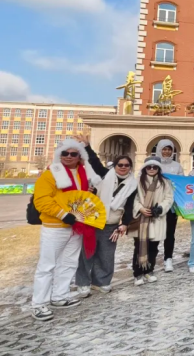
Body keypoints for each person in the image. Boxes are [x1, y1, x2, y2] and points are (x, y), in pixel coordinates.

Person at [30, 139, 103, 321]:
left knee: (69, 263)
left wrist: (89, 195)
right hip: (55, 227)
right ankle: (39, 304)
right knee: (47, 266)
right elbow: (42, 200)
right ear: (59, 155)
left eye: (73, 154)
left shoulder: (84, 173)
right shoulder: (50, 174)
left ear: (80, 156)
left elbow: (82, 198)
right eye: (65, 153)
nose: (68, 157)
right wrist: (63, 214)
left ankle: (60, 296)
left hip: (76, 226)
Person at [75, 137, 137, 297]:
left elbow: (129, 207)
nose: (123, 167)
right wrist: (87, 147)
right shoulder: (106, 175)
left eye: (126, 165)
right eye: (120, 165)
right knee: (87, 253)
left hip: (111, 224)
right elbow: (95, 162)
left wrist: (125, 224)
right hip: (93, 220)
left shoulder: (133, 185)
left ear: (130, 167)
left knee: (106, 255)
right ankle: (83, 283)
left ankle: (101, 282)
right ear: (115, 166)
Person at [128, 156, 174, 286]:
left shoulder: (165, 182)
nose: (152, 169)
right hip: (141, 219)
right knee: (139, 247)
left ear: (158, 168)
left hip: (156, 219)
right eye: (149, 166)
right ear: (145, 168)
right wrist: (140, 208)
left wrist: (160, 208)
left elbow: (169, 198)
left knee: (153, 247)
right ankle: (138, 273)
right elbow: (133, 199)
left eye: (154, 167)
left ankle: (149, 270)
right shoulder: (137, 182)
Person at [154, 139, 184, 273]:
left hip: (171, 204)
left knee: (169, 233)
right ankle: (151, 258)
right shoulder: (154, 165)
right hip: (156, 203)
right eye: (164, 149)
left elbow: (181, 183)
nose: (167, 152)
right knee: (154, 232)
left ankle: (168, 258)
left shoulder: (177, 166)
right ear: (159, 149)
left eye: (169, 149)